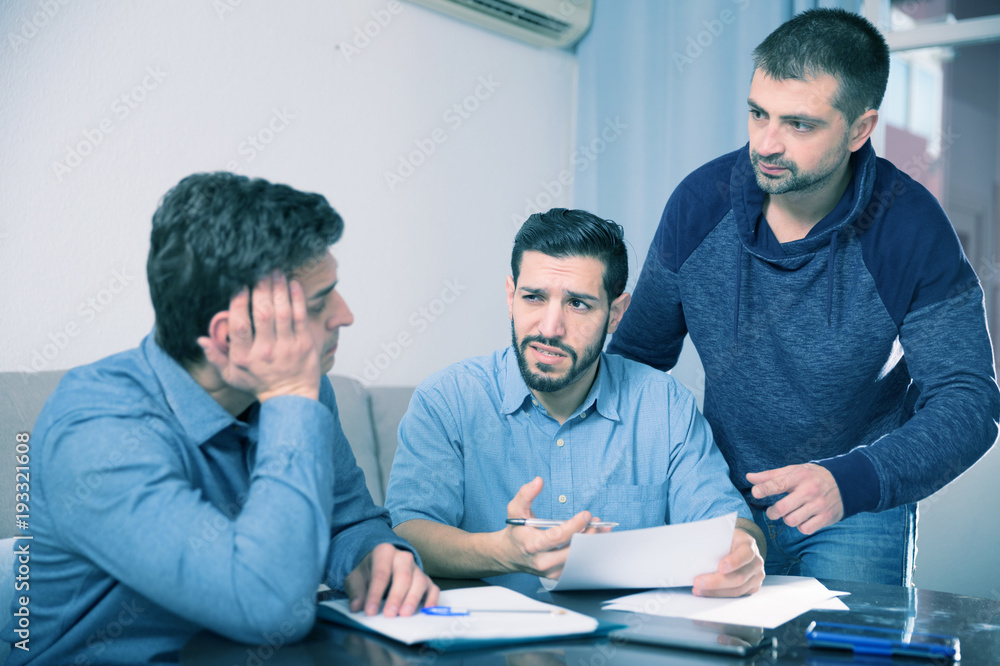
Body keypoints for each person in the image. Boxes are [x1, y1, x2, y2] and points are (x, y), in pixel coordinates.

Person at [607, 8, 1000, 585]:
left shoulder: (910, 228)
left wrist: (852, 480)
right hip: (722, 498)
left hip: (854, 504)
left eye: (799, 124)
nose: (766, 144)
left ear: (860, 129)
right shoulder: (698, 205)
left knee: (842, 639)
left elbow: (970, 400)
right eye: (758, 114)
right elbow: (636, 363)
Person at [3, 173, 438, 664]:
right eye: (319, 302)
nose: (346, 315)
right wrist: (291, 403)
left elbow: (349, 521)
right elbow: (268, 607)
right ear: (231, 336)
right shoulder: (95, 430)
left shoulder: (300, 391)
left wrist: (375, 557)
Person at [385, 208, 765, 596]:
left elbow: (729, 525)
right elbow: (409, 532)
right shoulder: (447, 400)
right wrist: (504, 552)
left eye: (578, 304)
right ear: (510, 296)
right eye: (533, 297)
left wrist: (743, 550)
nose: (550, 328)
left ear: (615, 314)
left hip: (630, 631)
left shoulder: (665, 406)